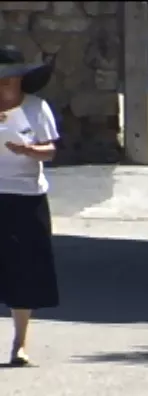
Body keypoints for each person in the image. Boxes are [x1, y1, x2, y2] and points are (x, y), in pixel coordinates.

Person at [0, 45, 61, 367]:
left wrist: (29, 151)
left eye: (9, 77)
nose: (4, 83)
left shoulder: (36, 108)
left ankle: (20, 343)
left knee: (23, 271)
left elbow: (50, 150)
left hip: (26, 196)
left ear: (21, 78)